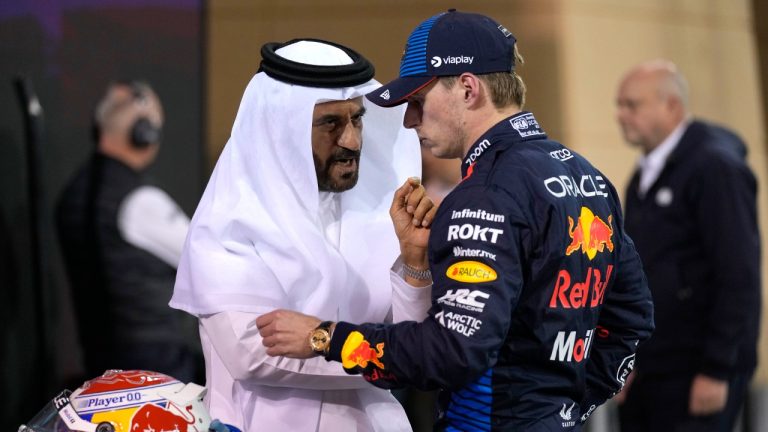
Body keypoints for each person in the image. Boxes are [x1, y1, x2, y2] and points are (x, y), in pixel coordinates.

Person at [256, 9, 655, 431]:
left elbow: (453, 351)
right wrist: (567, 410)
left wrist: (325, 337)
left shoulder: (483, 195)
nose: (410, 121)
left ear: (467, 89)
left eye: (418, 101)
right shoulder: (584, 174)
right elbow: (631, 317)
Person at [169, 39, 437, 431]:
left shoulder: (380, 216)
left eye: (357, 119)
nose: (352, 141)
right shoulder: (230, 222)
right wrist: (382, 355)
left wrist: (415, 265)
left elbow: (416, 341)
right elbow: (252, 355)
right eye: (330, 123)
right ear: (282, 130)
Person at [614, 59, 761, 432]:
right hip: (654, 367)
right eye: (620, 105)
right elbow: (639, 274)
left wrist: (717, 369)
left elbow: (739, 275)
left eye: (632, 105)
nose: (620, 115)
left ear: (672, 106)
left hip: (697, 368)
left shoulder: (714, 168)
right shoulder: (645, 174)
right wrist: (627, 360)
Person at [56, 81, 202, 383]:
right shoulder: (139, 200)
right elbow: (208, 259)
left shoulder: (71, 194)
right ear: (144, 133)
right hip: (156, 370)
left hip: (101, 365)